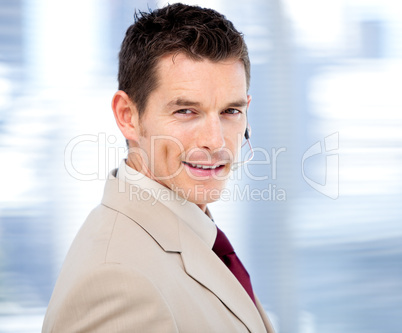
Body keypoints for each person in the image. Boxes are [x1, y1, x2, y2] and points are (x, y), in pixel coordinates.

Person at [42, 3, 275, 332]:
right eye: (186, 112)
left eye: (230, 112)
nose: (215, 141)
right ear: (128, 116)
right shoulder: (117, 282)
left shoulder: (192, 233)